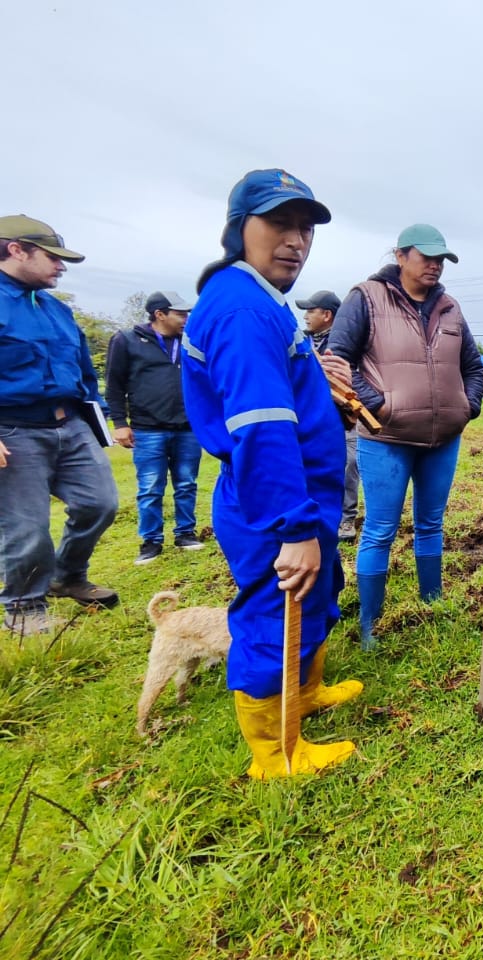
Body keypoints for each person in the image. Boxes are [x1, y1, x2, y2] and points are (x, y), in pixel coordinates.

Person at [181, 169, 362, 779]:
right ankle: (275, 752)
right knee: (273, 611)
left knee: (311, 603)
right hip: (275, 502)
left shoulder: (263, 299)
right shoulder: (242, 310)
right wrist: (293, 528)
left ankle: (303, 694)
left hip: (300, 494)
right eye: (279, 224)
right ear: (239, 229)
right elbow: (259, 426)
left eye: (305, 228)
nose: (296, 240)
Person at [328, 224, 483, 649]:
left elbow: (473, 367)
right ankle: (369, 626)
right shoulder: (366, 298)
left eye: (441, 259)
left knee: (431, 525)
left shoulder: (450, 307)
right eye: (426, 257)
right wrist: (379, 403)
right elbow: (336, 363)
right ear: (400, 256)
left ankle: (431, 604)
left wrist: (467, 405)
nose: (435, 265)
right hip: (387, 438)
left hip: (443, 438)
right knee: (380, 529)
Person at [0, 215, 118, 636]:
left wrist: (98, 420)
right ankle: (24, 607)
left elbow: (84, 371)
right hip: (13, 430)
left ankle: (67, 575)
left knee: (100, 504)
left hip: (71, 425)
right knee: (26, 526)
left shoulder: (57, 309)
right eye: (52, 257)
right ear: (17, 249)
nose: (61, 267)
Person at [106, 290, 205, 565]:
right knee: (150, 486)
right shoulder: (127, 340)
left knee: (187, 483)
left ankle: (186, 533)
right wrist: (120, 424)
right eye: (180, 313)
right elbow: (114, 385)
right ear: (160, 314)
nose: (186, 318)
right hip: (148, 428)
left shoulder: (191, 342)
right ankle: (151, 540)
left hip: (187, 427)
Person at [296, 289, 361, 542]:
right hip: (309, 418)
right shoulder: (301, 341)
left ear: (327, 314)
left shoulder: (345, 343)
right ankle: (315, 517)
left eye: (310, 311)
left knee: (348, 466)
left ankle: (346, 519)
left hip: (343, 418)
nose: (305, 316)